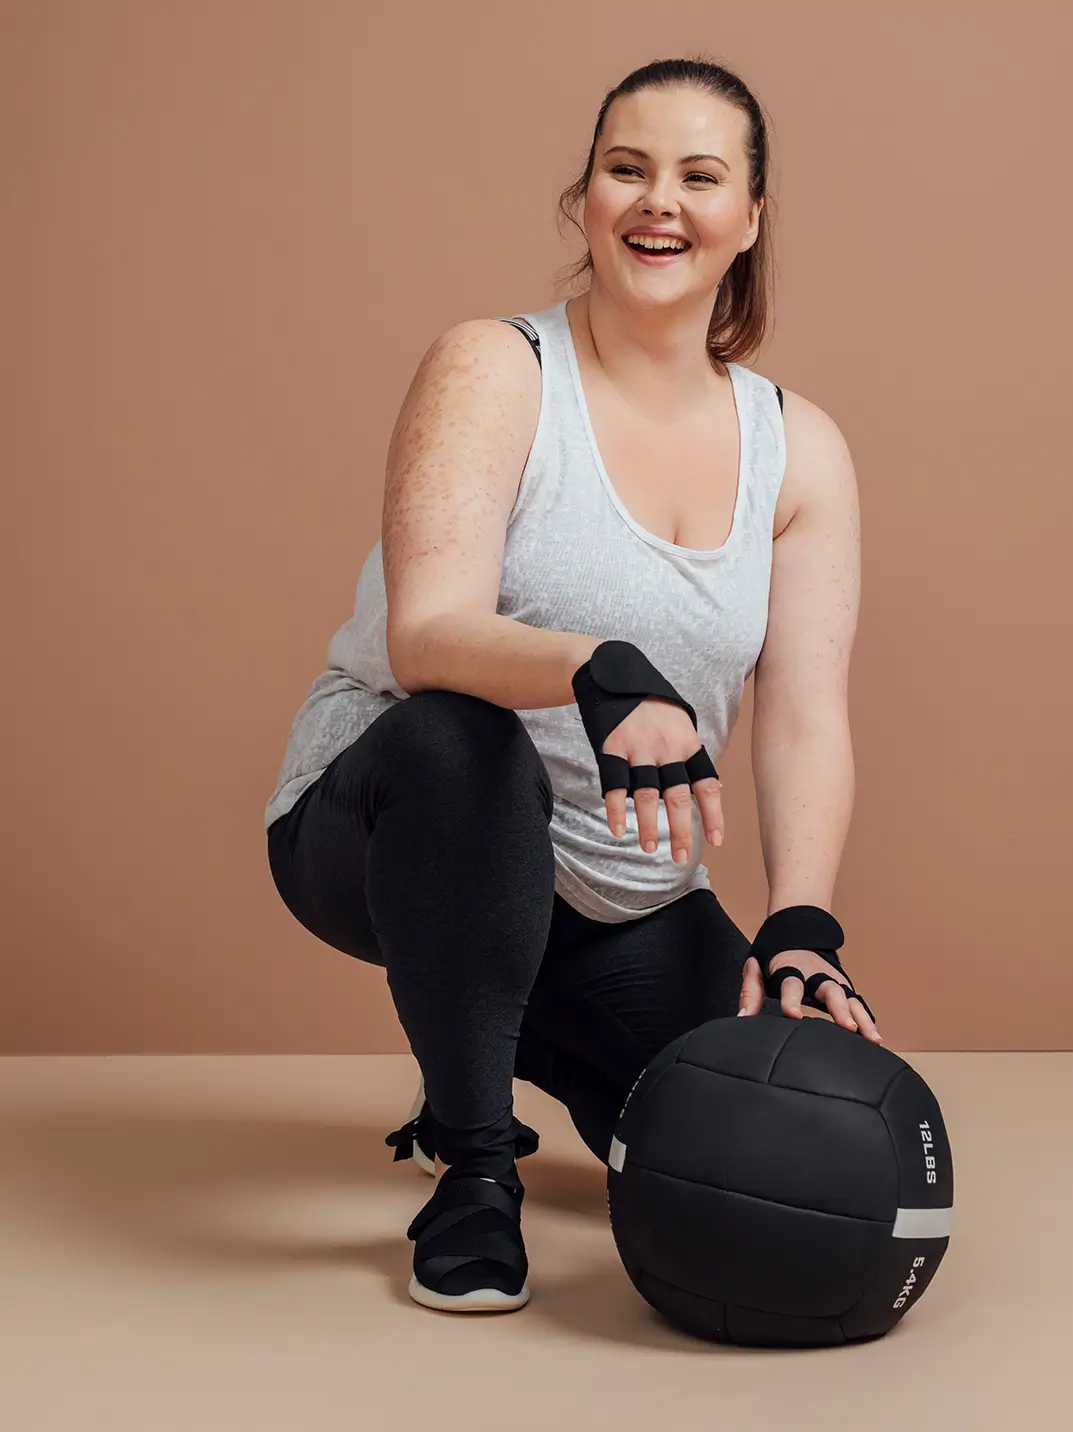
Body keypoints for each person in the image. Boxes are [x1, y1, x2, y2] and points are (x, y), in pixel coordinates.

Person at [265, 57, 882, 1316]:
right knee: (465, 742)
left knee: (786, 1146)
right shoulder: (496, 369)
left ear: (750, 217)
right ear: (585, 198)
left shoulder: (798, 449)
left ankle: (503, 1023)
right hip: (393, 817)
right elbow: (432, 631)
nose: (661, 201)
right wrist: (601, 671)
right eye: (627, 168)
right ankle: (472, 1160)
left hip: (623, 893)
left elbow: (809, 715)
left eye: (701, 177)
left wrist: (802, 924)